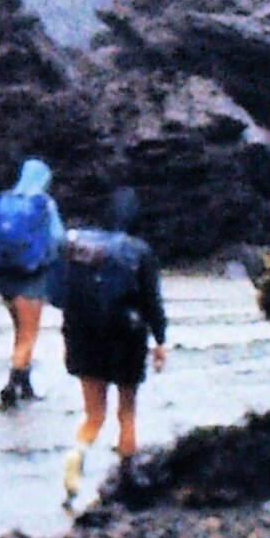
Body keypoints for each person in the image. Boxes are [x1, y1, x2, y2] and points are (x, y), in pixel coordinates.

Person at [54, 186, 168, 506]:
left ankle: (76, 454)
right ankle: (127, 474)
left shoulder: (80, 247)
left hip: (81, 335)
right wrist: (160, 340)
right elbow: (152, 303)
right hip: (126, 337)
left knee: (93, 415)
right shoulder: (139, 250)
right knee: (126, 411)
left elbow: (58, 293)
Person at [0, 158, 65, 408]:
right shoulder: (43, 204)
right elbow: (58, 238)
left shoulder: (2, 201)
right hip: (31, 278)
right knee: (28, 334)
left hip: (2, 277)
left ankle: (26, 384)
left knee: (19, 330)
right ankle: (11, 386)